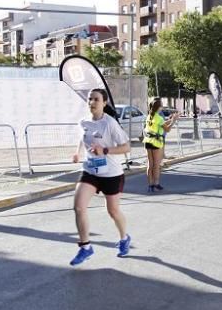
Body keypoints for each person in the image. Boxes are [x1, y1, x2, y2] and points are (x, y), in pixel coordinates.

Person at [69, 88, 133, 266]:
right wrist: (77, 153)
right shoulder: (83, 122)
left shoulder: (110, 123)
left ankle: (124, 238)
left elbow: (126, 147)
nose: (92, 102)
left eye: (96, 99)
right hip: (90, 171)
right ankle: (85, 246)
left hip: (111, 174)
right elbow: (83, 138)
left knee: (113, 211)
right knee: (79, 207)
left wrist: (104, 150)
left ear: (104, 103)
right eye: (90, 99)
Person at [143, 98, 179, 192]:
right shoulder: (158, 117)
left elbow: (161, 124)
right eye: (161, 105)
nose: (162, 107)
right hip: (156, 142)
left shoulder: (150, 116)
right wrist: (174, 120)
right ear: (158, 107)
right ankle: (156, 183)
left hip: (148, 141)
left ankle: (150, 185)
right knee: (156, 165)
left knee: (150, 164)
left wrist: (170, 119)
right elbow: (167, 129)